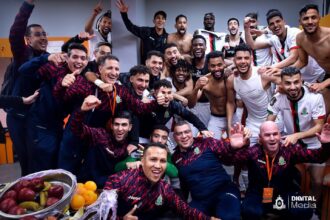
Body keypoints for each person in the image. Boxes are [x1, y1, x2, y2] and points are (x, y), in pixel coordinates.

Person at [231, 121, 330, 220]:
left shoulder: (289, 150)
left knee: (305, 210)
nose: (272, 138)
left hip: (285, 193)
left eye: (275, 134)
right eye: (267, 135)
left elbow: (318, 157)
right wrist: (238, 147)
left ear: (280, 135)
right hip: (258, 193)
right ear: (260, 138)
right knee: (249, 212)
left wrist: (326, 145)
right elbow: (234, 159)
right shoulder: (253, 152)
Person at [18, 43, 88, 173]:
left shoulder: (82, 81)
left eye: (83, 58)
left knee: (53, 166)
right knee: (39, 169)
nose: (79, 61)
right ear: (67, 58)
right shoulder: (54, 68)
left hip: (57, 127)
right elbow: (23, 70)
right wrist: (46, 58)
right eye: (75, 57)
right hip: (39, 125)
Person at [104, 142, 219, 219]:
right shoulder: (118, 180)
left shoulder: (164, 189)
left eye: (162, 161)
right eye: (153, 159)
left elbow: (185, 210)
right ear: (142, 160)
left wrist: (208, 218)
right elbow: (99, 214)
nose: (158, 166)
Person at [267, 67, 326, 207]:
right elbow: (269, 122)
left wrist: (297, 135)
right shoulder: (277, 98)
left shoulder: (315, 97)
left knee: (317, 182)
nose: (293, 87)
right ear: (281, 83)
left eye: (296, 82)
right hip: (290, 145)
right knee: (279, 176)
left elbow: (319, 127)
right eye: (287, 83)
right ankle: (282, 209)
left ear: (301, 81)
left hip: (313, 144)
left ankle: (309, 211)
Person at [4, 0, 49, 176]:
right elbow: (15, 32)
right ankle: (27, 192)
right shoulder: (23, 54)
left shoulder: (47, 57)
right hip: (18, 117)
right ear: (28, 39)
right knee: (26, 158)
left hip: (36, 117)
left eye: (44, 34)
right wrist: (28, 5)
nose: (43, 37)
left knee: (38, 157)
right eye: (38, 34)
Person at [172, 121, 248, 219]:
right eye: (179, 133)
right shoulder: (175, 157)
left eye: (187, 132)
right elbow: (184, 182)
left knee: (229, 217)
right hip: (200, 200)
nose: (184, 136)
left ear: (192, 133)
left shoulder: (206, 143)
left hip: (224, 192)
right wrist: (184, 203)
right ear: (174, 137)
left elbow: (226, 150)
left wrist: (232, 146)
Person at [244, 9, 324, 83]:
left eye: (278, 21)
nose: (275, 25)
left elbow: (293, 57)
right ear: (269, 28)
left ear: (284, 22)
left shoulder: (294, 33)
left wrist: (272, 67)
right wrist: (246, 28)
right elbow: (253, 45)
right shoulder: (274, 39)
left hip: (317, 75)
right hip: (302, 78)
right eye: (272, 24)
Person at [71, 95, 132, 187]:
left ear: (130, 127)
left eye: (124, 125)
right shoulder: (100, 135)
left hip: (110, 188)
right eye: (116, 124)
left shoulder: (130, 145)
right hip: (87, 186)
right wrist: (81, 111)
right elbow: (77, 129)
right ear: (111, 126)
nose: (120, 129)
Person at [293, 4, 330, 118]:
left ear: (319, 18)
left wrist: (323, 84)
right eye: (305, 18)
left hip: (327, 79)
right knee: (322, 113)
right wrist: (285, 72)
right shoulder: (300, 38)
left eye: (313, 17)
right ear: (300, 21)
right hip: (328, 74)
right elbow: (303, 61)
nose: (310, 21)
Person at [190, 51, 228, 140]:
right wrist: (196, 88)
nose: (216, 68)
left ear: (224, 64)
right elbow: (191, 104)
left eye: (219, 65)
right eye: (213, 66)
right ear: (208, 66)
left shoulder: (230, 76)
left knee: (238, 143)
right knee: (208, 143)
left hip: (233, 116)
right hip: (216, 118)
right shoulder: (205, 81)